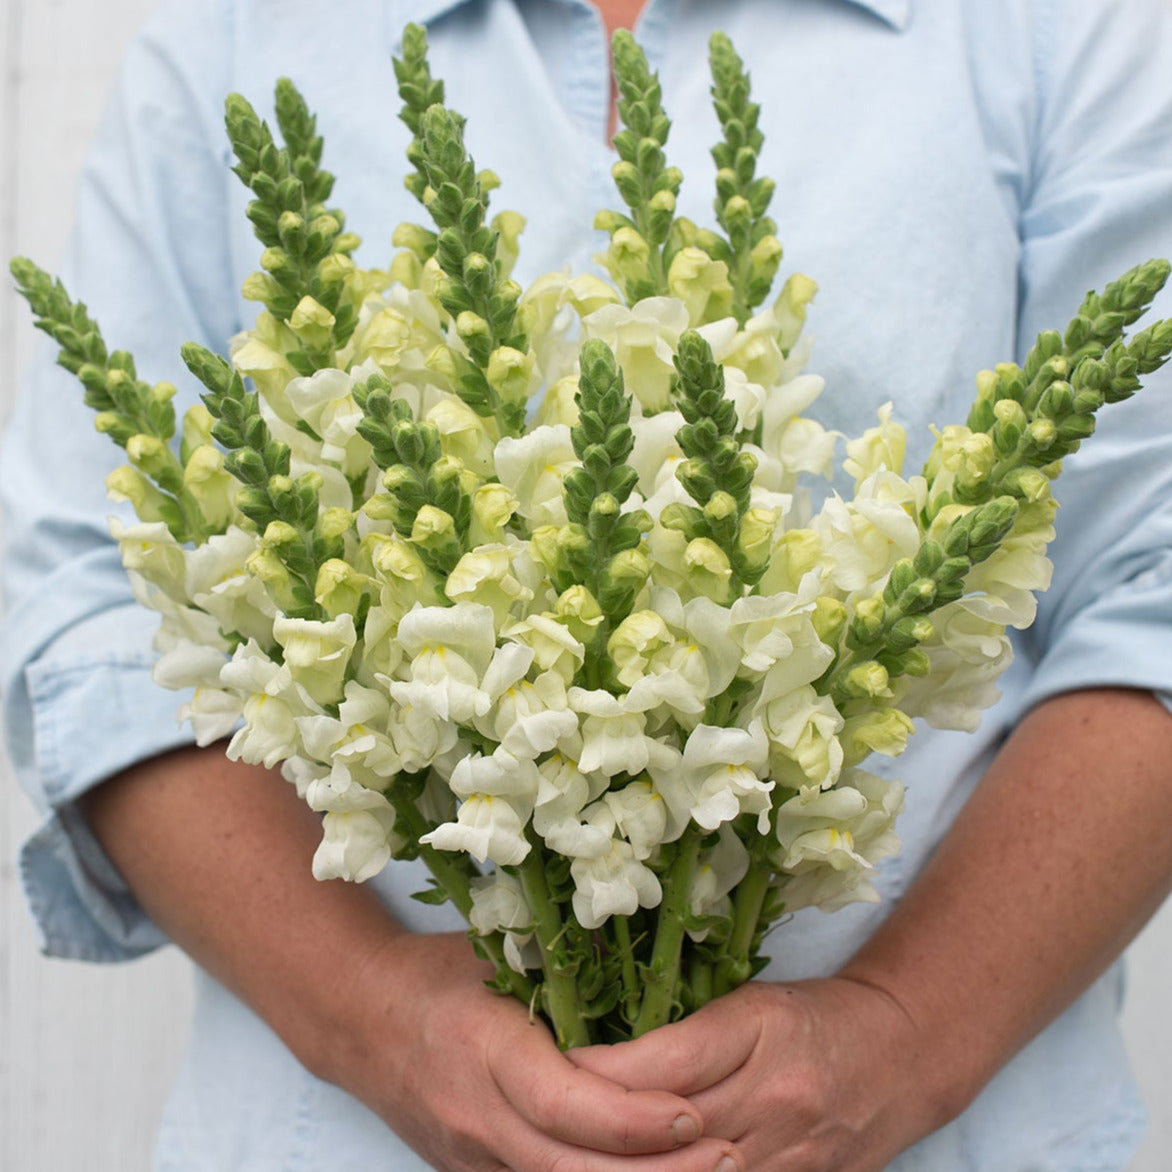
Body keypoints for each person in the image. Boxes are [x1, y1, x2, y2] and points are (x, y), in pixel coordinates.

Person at [4, 0, 1172, 1168]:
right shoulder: (239, 35)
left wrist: (902, 1027)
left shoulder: (1050, 29)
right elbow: (93, 609)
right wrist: (371, 1009)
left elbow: (1151, 591)